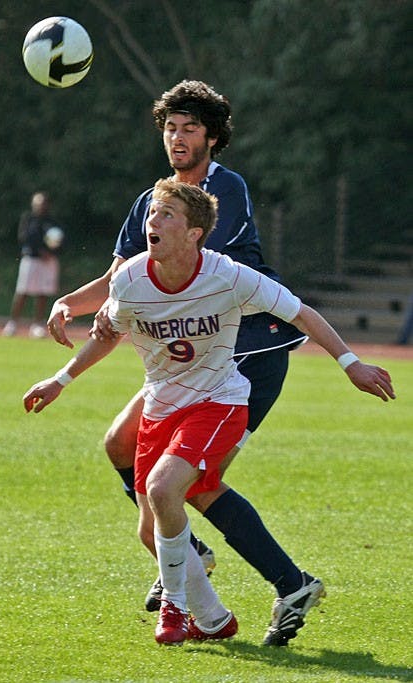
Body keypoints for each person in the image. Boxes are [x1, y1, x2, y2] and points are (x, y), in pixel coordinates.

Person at [23, 179, 395, 646]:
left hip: (219, 400)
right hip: (161, 405)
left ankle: (175, 609)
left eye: (165, 215)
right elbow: (108, 332)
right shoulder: (132, 279)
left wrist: (350, 362)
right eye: (151, 213)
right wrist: (60, 379)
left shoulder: (227, 274)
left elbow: (301, 313)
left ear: (194, 232)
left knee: (163, 489)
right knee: (152, 524)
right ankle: (215, 618)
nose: (151, 222)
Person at [44, 80, 331, 647]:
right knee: (122, 447)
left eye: (190, 128)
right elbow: (120, 279)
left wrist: (114, 316)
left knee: (192, 484)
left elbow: (187, 267)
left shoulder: (221, 193)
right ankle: (186, 552)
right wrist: (71, 305)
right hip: (191, 357)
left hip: (249, 351)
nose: (177, 137)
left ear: (213, 137)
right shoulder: (154, 202)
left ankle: (281, 582)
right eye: (170, 127)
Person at [3, 191, 64, 339]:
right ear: (33, 204)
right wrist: (39, 250)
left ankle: (37, 325)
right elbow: (24, 237)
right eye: (38, 204)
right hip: (31, 260)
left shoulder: (53, 222)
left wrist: (51, 253)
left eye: (43, 204)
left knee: (43, 293)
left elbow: (60, 240)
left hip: (48, 262)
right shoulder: (28, 219)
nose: (41, 207)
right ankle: (12, 323)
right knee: (23, 291)